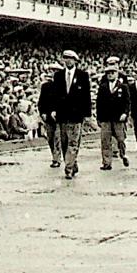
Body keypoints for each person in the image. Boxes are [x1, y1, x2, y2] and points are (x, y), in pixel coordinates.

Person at [51, 50, 91, 179]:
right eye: (65, 58)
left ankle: (68, 168)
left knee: (73, 143)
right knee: (64, 143)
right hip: (62, 115)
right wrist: (53, 109)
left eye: (70, 58)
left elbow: (86, 96)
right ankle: (72, 163)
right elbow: (55, 95)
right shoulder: (58, 76)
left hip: (76, 115)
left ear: (75, 60)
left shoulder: (83, 76)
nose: (67, 60)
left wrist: (87, 114)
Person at [95, 60, 130, 170]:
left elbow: (127, 102)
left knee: (120, 139)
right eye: (108, 73)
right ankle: (107, 162)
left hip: (118, 118)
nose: (110, 74)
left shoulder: (123, 87)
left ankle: (123, 154)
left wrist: (125, 113)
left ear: (117, 74)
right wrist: (99, 117)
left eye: (112, 72)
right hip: (106, 117)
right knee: (105, 140)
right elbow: (99, 103)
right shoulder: (103, 87)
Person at [37, 67, 61, 167]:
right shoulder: (45, 86)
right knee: (50, 138)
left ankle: (57, 159)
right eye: (51, 71)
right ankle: (54, 156)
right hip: (48, 117)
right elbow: (41, 101)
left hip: (59, 117)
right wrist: (42, 112)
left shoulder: (63, 86)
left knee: (57, 138)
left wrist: (57, 111)